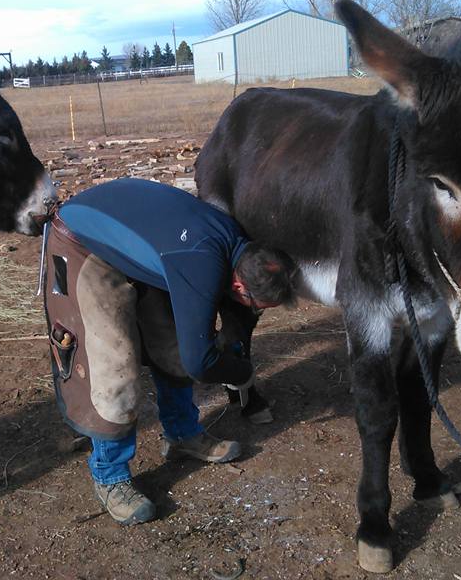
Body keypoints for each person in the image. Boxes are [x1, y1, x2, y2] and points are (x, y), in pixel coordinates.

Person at [41, 178, 296, 526]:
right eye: (256, 305)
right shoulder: (203, 263)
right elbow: (200, 362)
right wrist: (242, 373)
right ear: (239, 285)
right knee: (113, 365)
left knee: (172, 343)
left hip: (139, 244)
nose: (254, 311)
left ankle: (182, 435)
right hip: (85, 242)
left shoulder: (236, 246)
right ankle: (110, 475)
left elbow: (190, 347)